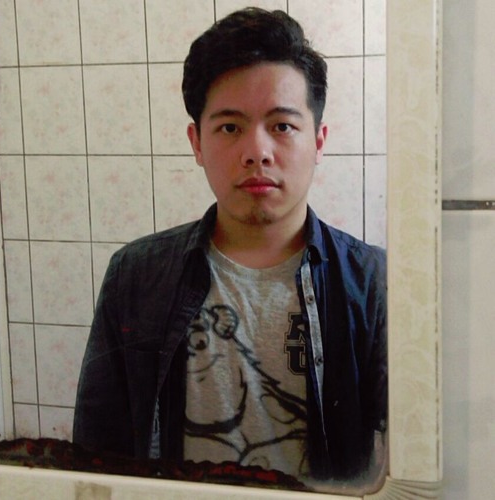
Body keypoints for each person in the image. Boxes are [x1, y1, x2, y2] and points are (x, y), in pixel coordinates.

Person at [73, 7, 387, 481]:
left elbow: (409, 448)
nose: (256, 152)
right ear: (197, 143)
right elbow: (96, 450)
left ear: (319, 141)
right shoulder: (135, 275)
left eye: (282, 126)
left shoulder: (374, 283)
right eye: (230, 127)